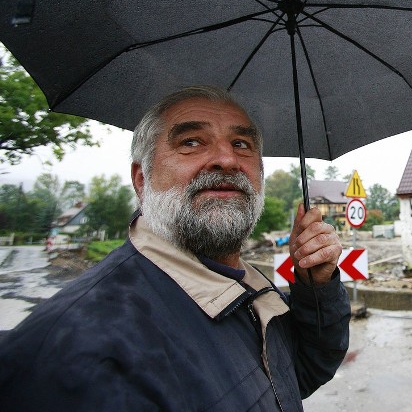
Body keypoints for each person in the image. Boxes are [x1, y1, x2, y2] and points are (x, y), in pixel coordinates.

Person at [0, 86, 350, 411]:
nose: (226, 160)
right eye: (192, 141)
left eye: (242, 144)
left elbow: (298, 373)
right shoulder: (75, 352)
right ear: (142, 179)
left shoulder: (249, 289)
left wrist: (315, 288)